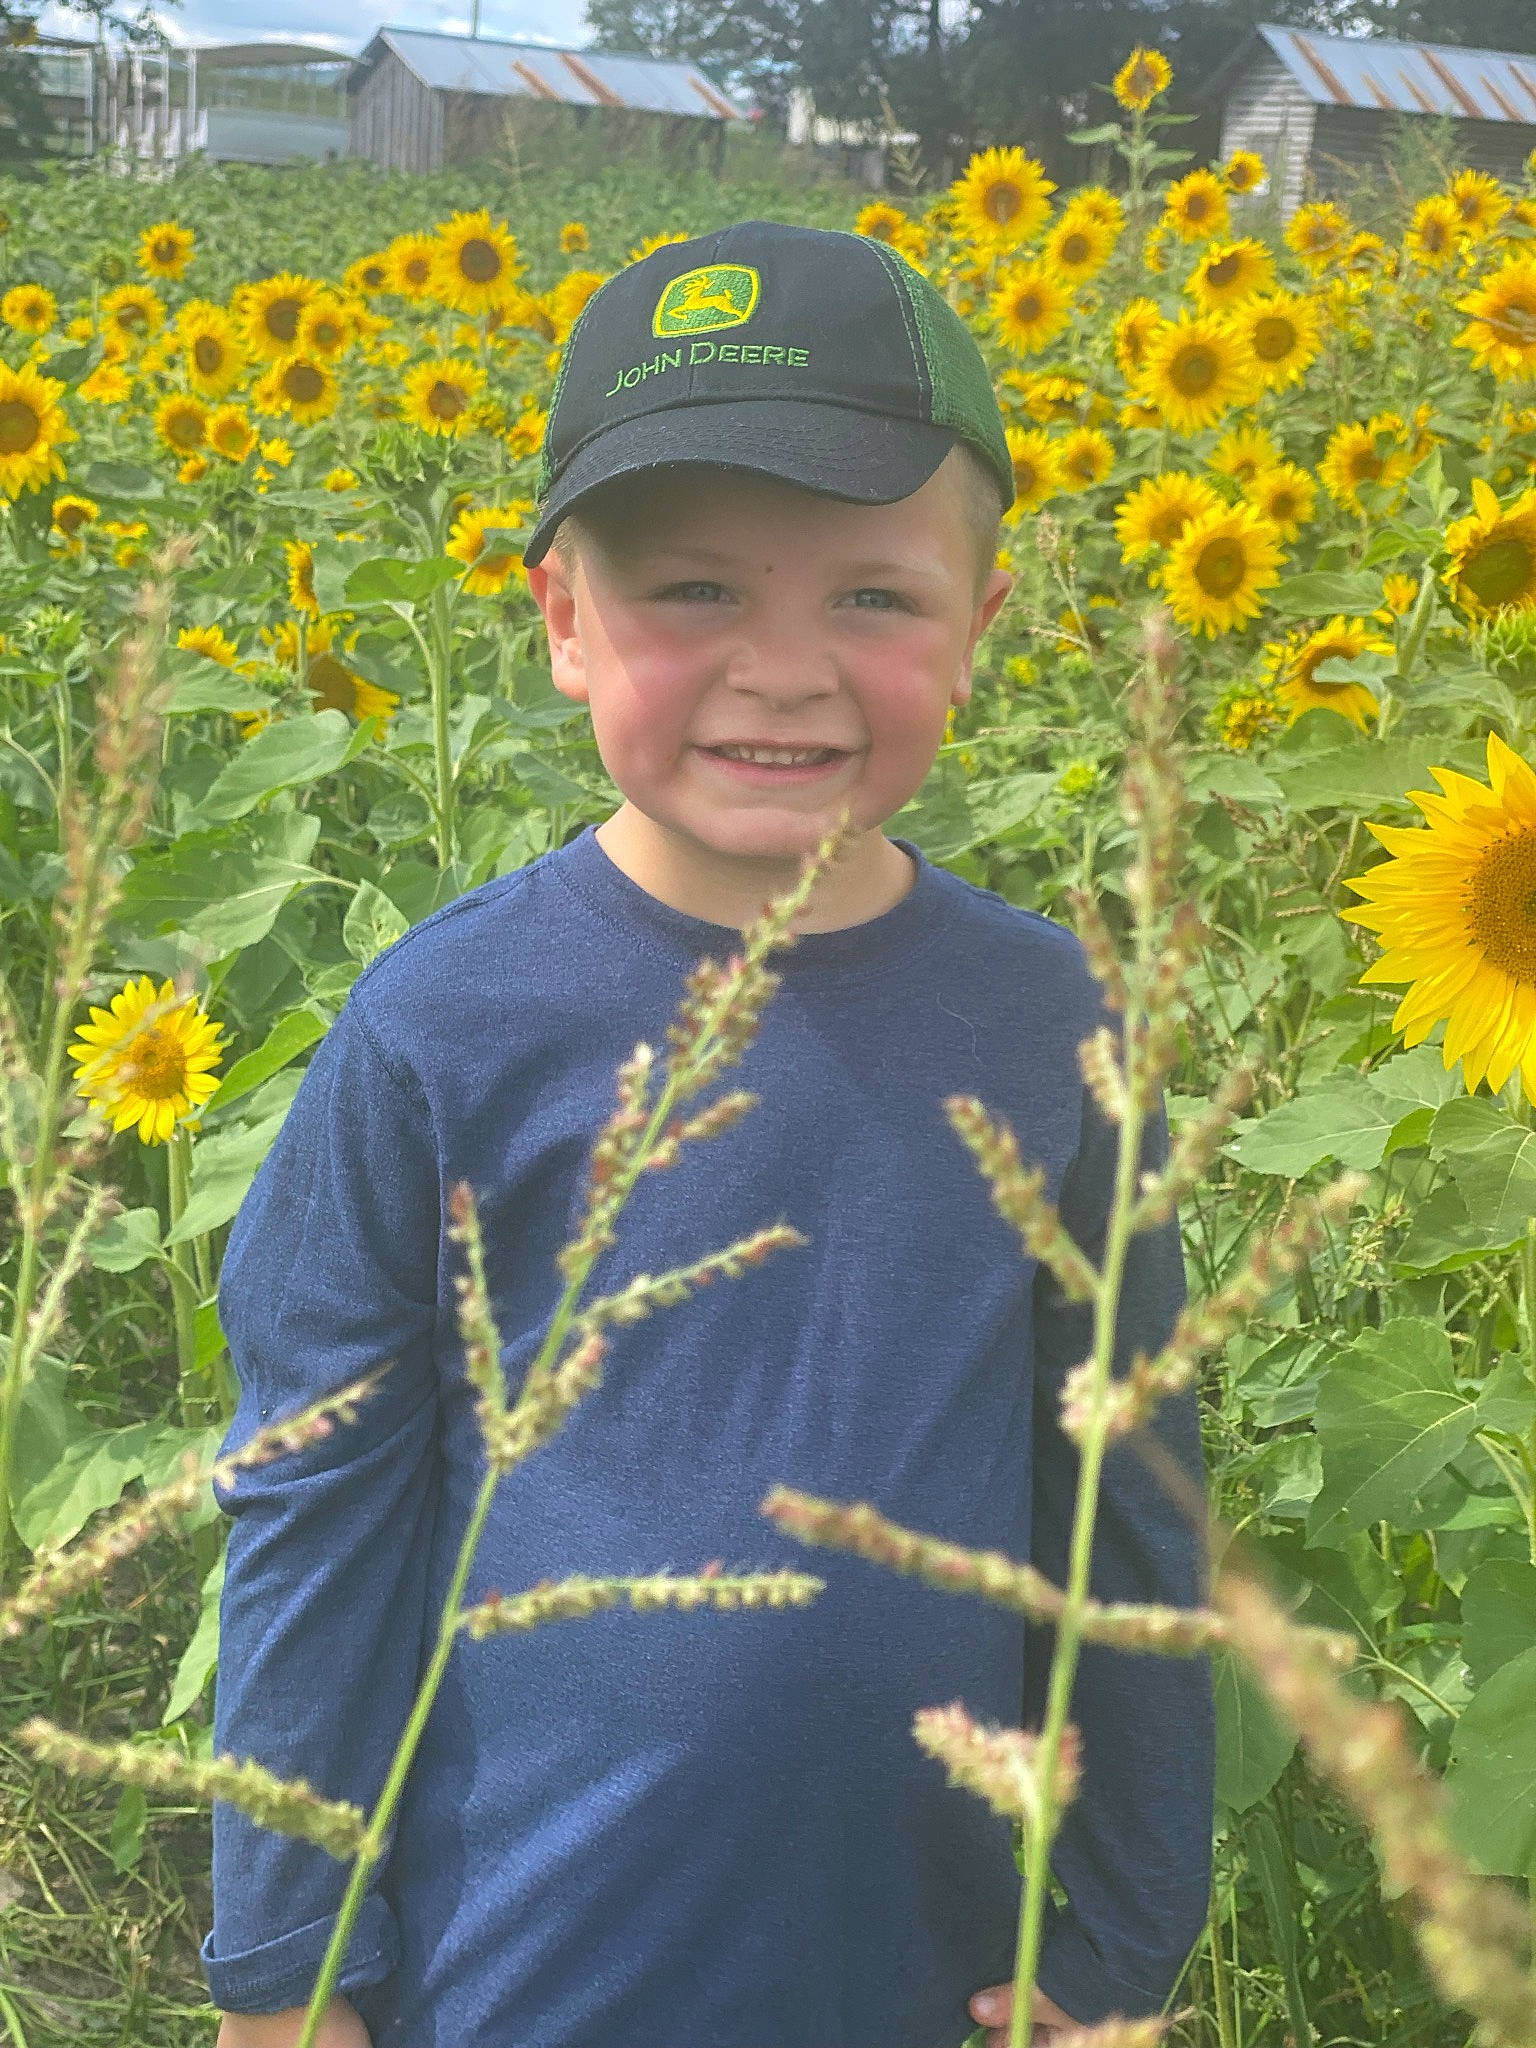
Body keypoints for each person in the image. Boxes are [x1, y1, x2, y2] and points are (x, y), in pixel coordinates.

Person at [204, 219, 1214, 2048]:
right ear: (562, 620)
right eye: (695, 591)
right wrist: (288, 1965)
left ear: (980, 628)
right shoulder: (443, 1026)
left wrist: (1128, 1938)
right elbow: (314, 1498)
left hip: (925, 1968)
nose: (784, 668)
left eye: (874, 598)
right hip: (511, 1964)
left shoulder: (1050, 1021)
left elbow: (1128, 1495)